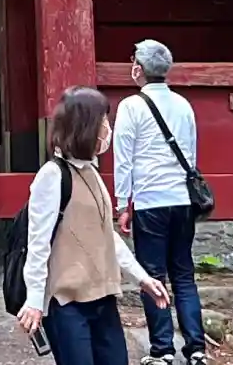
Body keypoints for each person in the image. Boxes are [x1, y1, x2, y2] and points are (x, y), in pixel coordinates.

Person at [16, 87, 171, 365]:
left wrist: (142, 278)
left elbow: (105, 235)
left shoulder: (91, 172)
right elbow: (38, 244)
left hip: (102, 297)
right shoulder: (52, 176)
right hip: (66, 304)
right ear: (85, 127)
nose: (107, 129)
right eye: (103, 122)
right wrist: (35, 301)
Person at [113, 40, 207, 364]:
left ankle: (162, 349)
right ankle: (196, 347)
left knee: (153, 275)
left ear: (138, 69)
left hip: (150, 200)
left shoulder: (130, 106)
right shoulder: (184, 105)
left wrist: (122, 204)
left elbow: (123, 159)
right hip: (182, 199)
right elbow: (191, 155)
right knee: (184, 274)